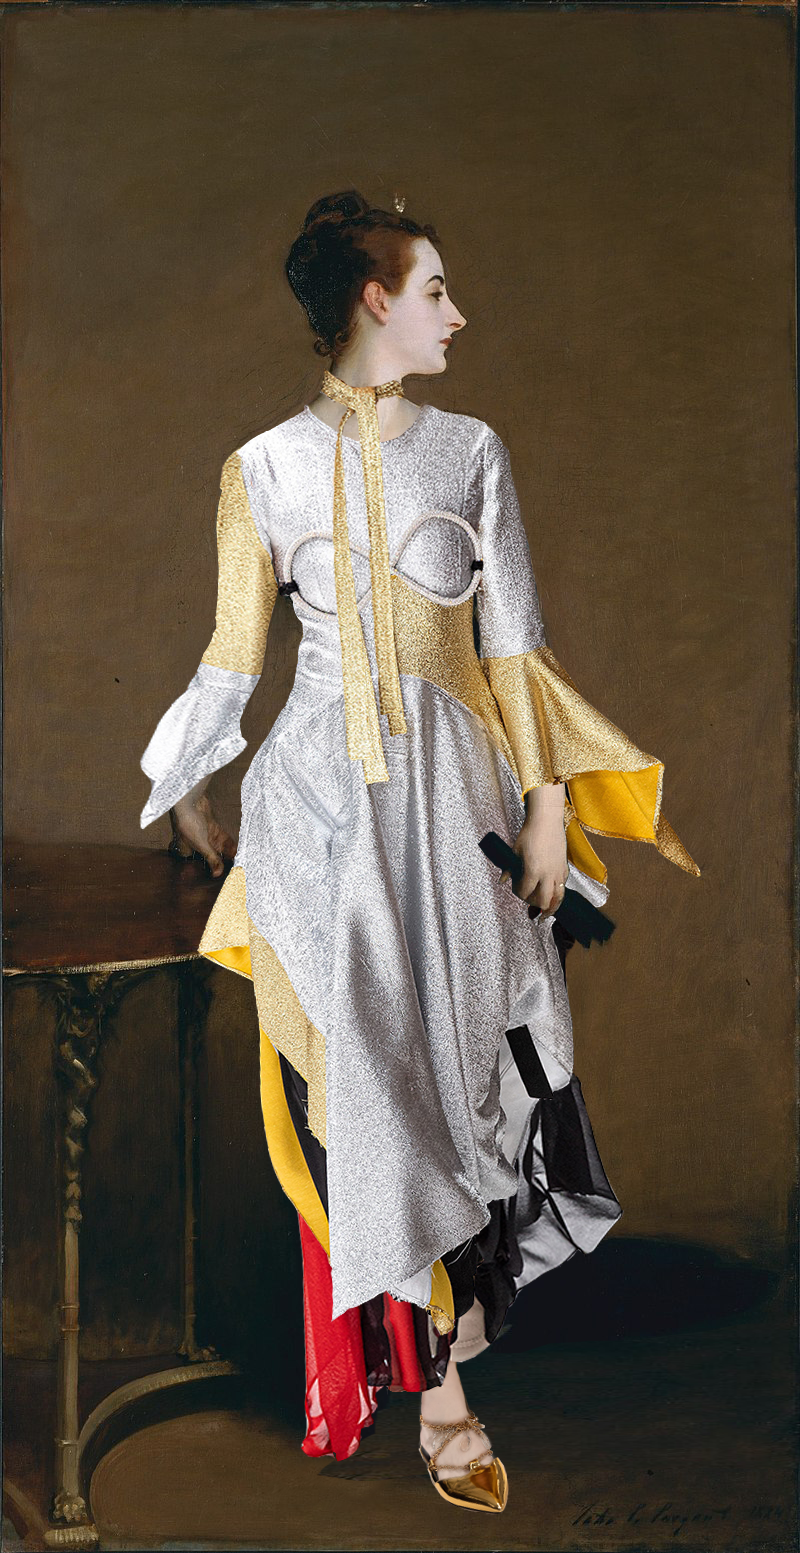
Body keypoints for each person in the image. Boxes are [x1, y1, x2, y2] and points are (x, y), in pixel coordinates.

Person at [139, 189, 700, 1514]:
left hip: (459, 811)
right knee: (372, 1095)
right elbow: (233, 657)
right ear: (375, 299)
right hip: (319, 818)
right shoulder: (261, 468)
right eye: (437, 289)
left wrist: (550, 807)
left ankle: (446, 1355)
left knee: (467, 1081)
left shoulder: (473, 452)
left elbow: (516, 648)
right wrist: (187, 787)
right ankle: (443, 1398)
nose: (458, 313)